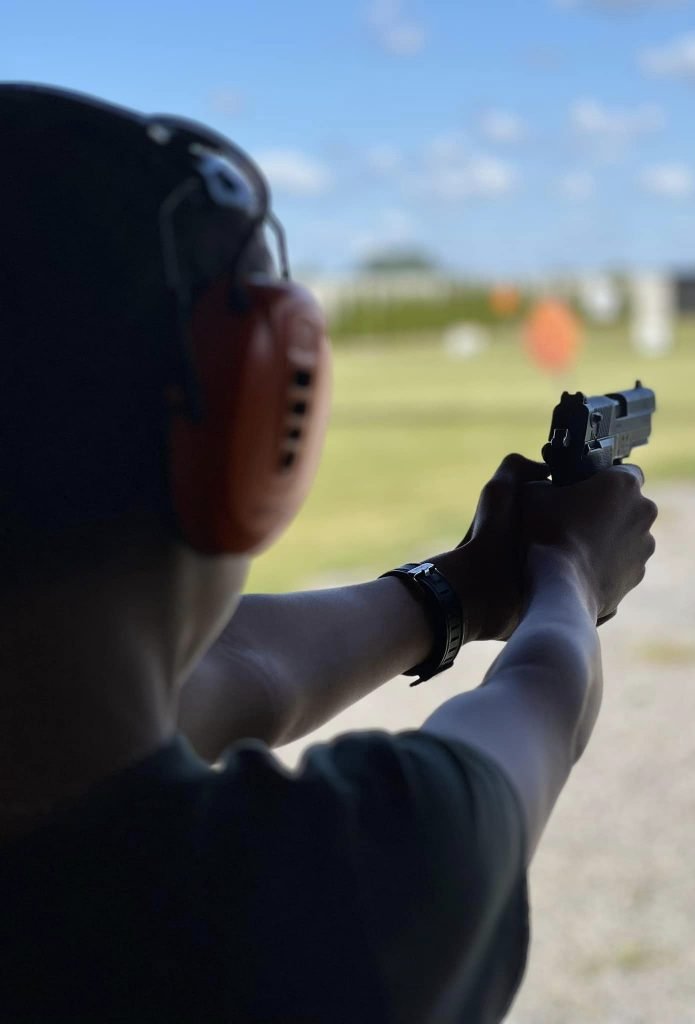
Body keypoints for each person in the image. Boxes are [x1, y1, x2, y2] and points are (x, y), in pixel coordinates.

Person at [0, 83, 657, 1024]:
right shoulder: (333, 894)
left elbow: (230, 675)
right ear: (255, 421)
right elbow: (539, 708)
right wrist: (573, 576)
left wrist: (461, 588)